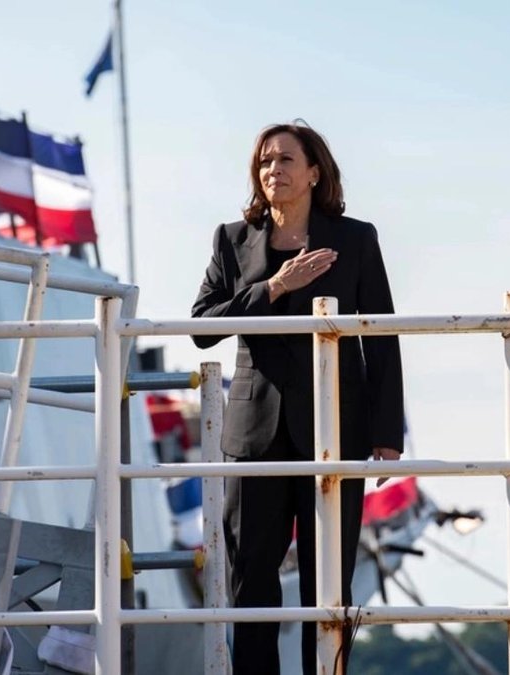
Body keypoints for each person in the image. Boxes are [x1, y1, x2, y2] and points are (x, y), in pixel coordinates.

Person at [191, 121, 404, 674]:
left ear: (314, 173)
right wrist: (274, 287)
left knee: (326, 580)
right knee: (251, 578)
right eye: (264, 161)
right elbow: (202, 327)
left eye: (285, 160)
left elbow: (379, 337)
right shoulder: (231, 240)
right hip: (253, 434)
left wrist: (386, 435)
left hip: (336, 429)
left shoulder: (356, 239)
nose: (273, 170)